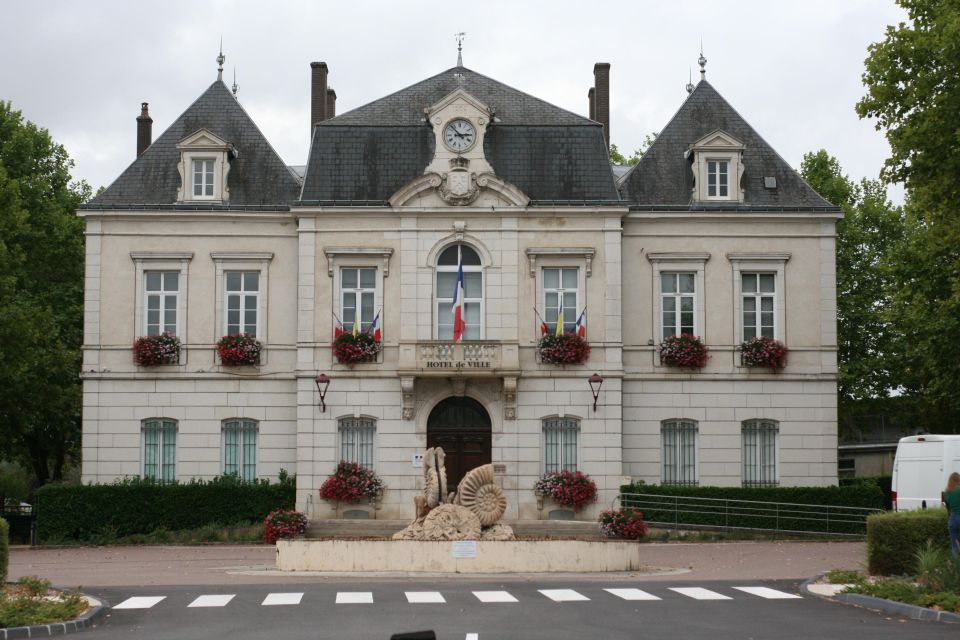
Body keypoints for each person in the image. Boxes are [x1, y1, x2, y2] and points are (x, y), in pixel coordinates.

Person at [946, 472, 960, 556]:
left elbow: (948, 510)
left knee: (954, 546)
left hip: (952, 519)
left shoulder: (947, 492)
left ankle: (955, 567)